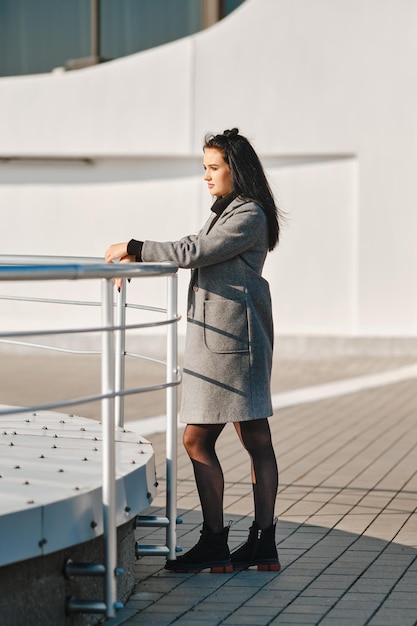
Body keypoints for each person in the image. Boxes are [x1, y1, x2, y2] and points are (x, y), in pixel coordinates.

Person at [105, 128, 282, 573]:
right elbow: (195, 247)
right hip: (226, 342)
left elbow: (194, 251)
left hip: (232, 346)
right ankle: (257, 545)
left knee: (204, 437)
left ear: (235, 170)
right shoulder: (229, 212)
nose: (206, 176)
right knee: (253, 436)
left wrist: (133, 247)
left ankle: (220, 543)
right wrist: (139, 257)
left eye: (212, 167)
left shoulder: (250, 215)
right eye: (204, 167)